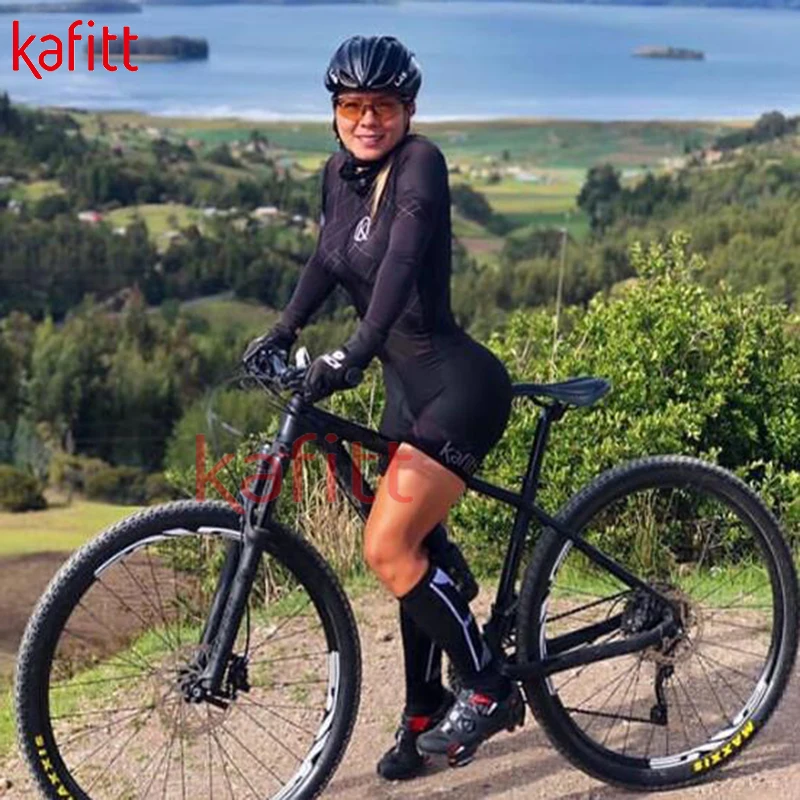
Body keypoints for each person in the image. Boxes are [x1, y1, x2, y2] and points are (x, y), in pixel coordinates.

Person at [243, 34, 523, 780]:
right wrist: (282, 331)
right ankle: (424, 709)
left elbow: (400, 263)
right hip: (406, 394)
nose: (368, 120)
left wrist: (354, 353)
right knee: (413, 554)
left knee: (387, 546)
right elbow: (327, 259)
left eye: (385, 106)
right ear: (336, 112)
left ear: (409, 109)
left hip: (458, 389)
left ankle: (488, 685)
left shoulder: (420, 164)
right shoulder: (337, 175)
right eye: (353, 106)